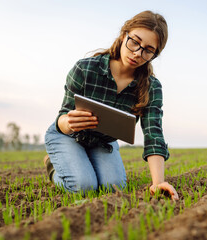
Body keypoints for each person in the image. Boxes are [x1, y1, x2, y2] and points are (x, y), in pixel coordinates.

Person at [44, 10, 178, 200]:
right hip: (68, 136)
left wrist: (158, 183)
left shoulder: (151, 87)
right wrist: (68, 123)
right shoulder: (85, 69)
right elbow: (62, 118)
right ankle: (52, 168)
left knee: (112, 189)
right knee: (84, 186)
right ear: (124, 35)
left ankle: (85, 161)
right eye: (134, 42)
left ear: (154, 55)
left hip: (103, 141)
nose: (137, 53)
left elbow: (153, 133)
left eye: (148, 50)